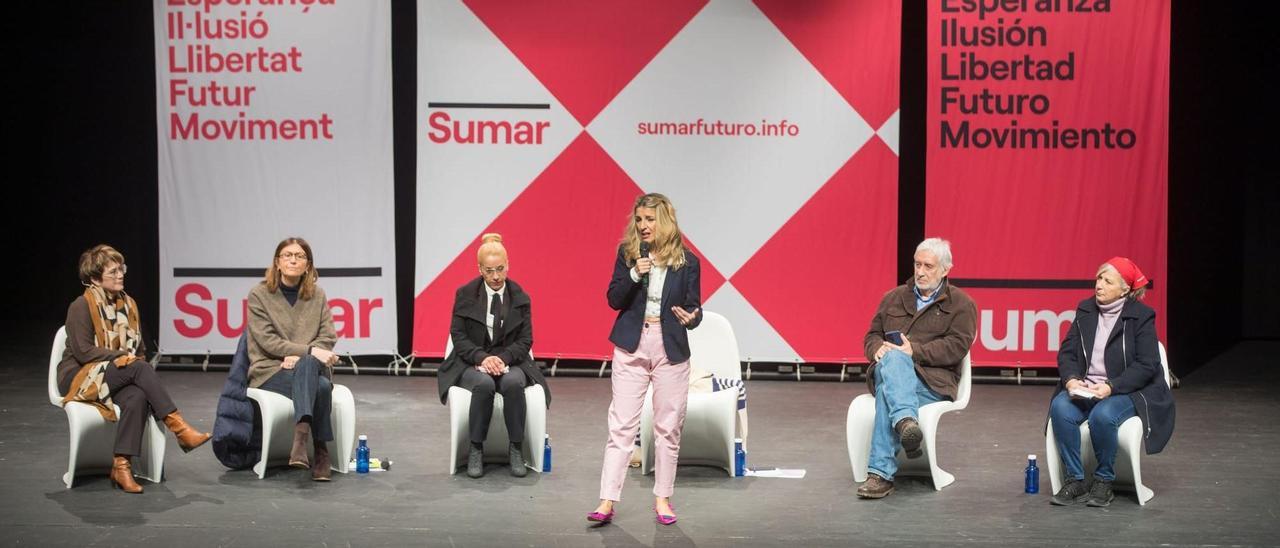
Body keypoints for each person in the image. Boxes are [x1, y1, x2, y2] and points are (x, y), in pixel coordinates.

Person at [58, 244, 211, 494]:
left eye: (122, 269)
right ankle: (180, 429)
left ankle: (122, 465)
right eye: (113, 271)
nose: (120, 275)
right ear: (95, 279)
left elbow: (139, 349)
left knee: (137, 396)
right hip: (79, 375)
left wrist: (127, 359)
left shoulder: (129, 304)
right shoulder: (81, 306)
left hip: (114, 373)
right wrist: (123, 356)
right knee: (138, 367)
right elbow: (83, 351)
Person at [588, 193, 702, 526]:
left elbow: (694, 309)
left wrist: (691, 318)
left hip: (670, 348)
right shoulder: (628, 255)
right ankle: (607, 500)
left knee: (668, 428)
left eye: (649, 219)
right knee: (621, 426)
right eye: (639, 220)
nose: (643, 226)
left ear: (664, 220)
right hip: (631, 345)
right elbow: (613, 299)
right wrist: (635, 274)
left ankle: (663, 499)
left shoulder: (687, 262)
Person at [1048, 257, 1174, 507]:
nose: (1099, 285)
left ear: (1125, 289)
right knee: (1060, 408)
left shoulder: (1141, 316)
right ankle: (1075, 479)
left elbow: (1148, 364)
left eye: (1108, 281)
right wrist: (1072, 380)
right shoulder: (1085, 310)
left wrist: (1111, 386)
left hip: (1128, 390)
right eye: (1098, 278)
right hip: (1087, 386)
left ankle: (1104, 481)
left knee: (1102, 416)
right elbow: (1067, 352)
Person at [858, 237, 976, 499]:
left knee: (890, 388)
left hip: (932, 381)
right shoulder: (893, 297)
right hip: (888, 372)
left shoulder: (962, 304)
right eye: (917, 264)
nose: (920, 271)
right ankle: (906, 423)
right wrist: (876, 348)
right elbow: (872, 335)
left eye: (928, 266)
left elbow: (957, 346)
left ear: (945, 269)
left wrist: (916, 351)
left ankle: (880, 474)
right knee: (894, 360)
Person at [438, 233, 549, 478]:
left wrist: (504, 359)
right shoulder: (465, 294)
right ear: (480, 269)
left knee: (511, 383)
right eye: (489, 271)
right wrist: (482, 358)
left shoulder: (520, 297)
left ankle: (516, 448)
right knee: (484, 384)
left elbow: (525, 340)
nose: (496, 276)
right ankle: (476, 448)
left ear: (508, 265)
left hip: (512, 362)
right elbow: (458, 337)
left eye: (500, 269)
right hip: (470, 362)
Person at [246, 237, 340, 481]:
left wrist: (301, 357)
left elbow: (328, 336)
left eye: (299, 256)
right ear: (277, 262)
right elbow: (266, 340)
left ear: (307, 265)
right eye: (287, 255)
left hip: (307, 367)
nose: (293, 260)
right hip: (271, 369)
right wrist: (307, 352)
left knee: (309, 366)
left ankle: (300, 443)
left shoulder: (317, 295)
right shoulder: (259, 294)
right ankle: (320, 451)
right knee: (320, 386)